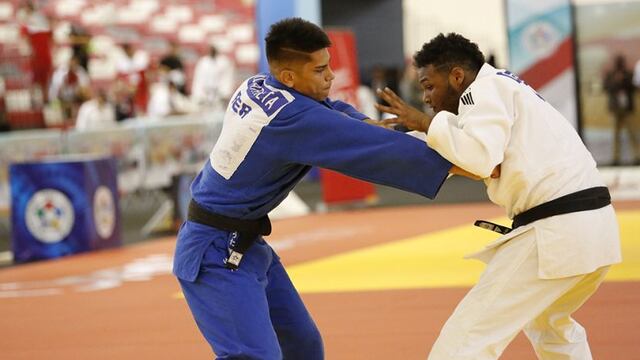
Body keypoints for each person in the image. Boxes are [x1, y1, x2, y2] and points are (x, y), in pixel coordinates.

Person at [173, 18, 476, 360]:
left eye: (328, 65)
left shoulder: (259, 85)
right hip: (214, 252)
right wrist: (469, 163)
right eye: (319, 70)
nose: (331, 76)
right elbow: (370, 147)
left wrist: (371, 126)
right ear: (288, 76)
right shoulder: (292, 119)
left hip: (245, 242)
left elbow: (334, 114)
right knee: (254, 357)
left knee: (302, 346)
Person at [377, 33, 621, 360]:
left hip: (554, 229)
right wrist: (409, 134)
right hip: (595, 227)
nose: (426, 98)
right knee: (550, 326)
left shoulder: (482, 90)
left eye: (429, 86)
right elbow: (485, 166)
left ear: (457, 76)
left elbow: (479, 158)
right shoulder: (509, 89)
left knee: (465, 340)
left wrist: (424, 123)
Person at [604, 54, 639, 165]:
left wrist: (623, 80)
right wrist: (615, 80)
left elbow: (633, 88)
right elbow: (606, 87)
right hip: (615, 108)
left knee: (631, 134)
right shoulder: (610, 75)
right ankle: (615, 158)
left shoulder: (628, 74)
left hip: (627, 108)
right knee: (615, 135)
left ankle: (637, 157)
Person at [191, 44, 235, 110]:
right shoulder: (203, 62)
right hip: (205, 95)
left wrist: (225, 94)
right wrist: (198, 95)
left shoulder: (224, 62)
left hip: (219, 96)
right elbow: (198, 80)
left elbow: (227, 79)